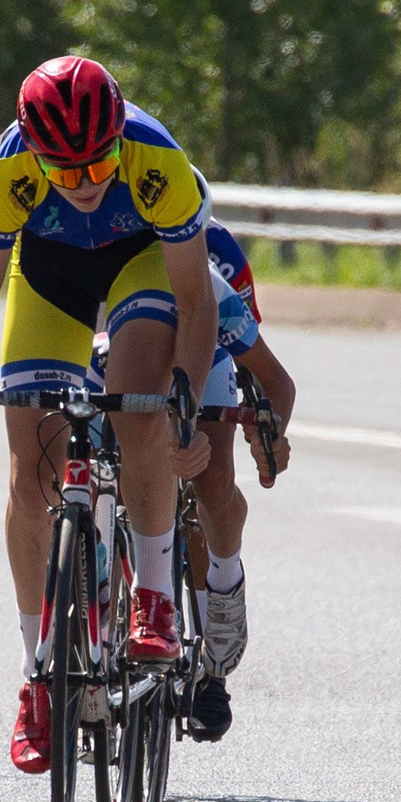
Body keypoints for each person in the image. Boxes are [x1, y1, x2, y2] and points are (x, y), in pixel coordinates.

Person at [0, 56, 219, 776]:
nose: (89, 183)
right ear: (37, 155)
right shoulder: (9, 174)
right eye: (66, 173)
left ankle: (153, 594)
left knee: (136, 410)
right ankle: (37, 674)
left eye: (99, 164)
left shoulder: (158, 160)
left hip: (140, 266)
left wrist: (183, 401)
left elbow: (195, 304)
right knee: (29, 472)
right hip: (50, 277)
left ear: (119, 140)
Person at [178, 217, 295, 740]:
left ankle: (215, 627)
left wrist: (265, 430)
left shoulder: (219, 254)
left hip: (212, 355)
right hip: (121, 344)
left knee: (210, 479)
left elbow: (254, 360)